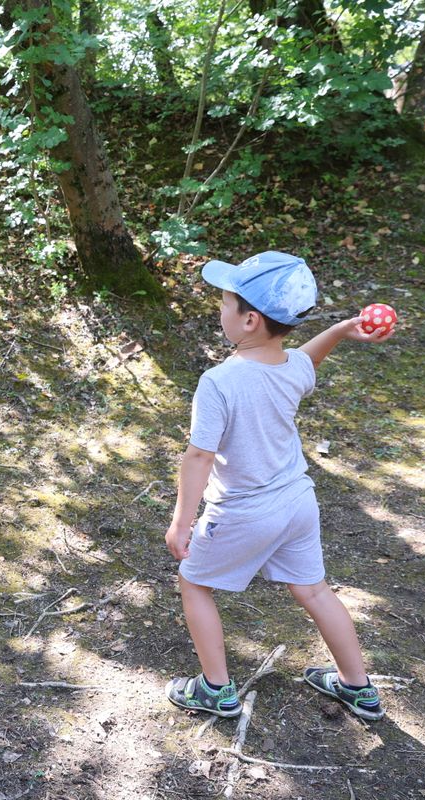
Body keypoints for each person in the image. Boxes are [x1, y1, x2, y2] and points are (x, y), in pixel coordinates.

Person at [163, 251, 394, 721]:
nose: (220, 310)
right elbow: (306, 360)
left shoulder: (219, 381)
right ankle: (359, 687)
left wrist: (181, 522)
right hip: (296, 503)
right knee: (314, 590)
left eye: (225, 303)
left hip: (245, 511)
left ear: (248, 320)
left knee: (193, 584)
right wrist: (340, 330)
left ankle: (214, 689)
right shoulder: (289, 367)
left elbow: (200, 456)